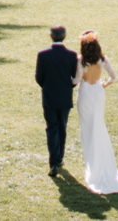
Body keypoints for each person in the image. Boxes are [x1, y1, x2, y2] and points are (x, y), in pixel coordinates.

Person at [75, 30, 118, 195]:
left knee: (87, 130)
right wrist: (103, 85)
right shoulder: (103, 59)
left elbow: (77, 80)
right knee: (98, 127)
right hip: (98, 94)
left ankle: (92, 168)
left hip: (85, 95)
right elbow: (113, 77)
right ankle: (101, 166)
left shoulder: (80, 60)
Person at [35, 24, 79, 177]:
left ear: (51, 36)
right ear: (64, 36)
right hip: (65, 96)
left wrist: (47, 87)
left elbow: (39, 77)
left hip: (49, 96)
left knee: (51, 128)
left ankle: (53, 162)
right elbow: (74, 77)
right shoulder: (71, 55)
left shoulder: (43, 54)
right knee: (62, 127)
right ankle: (59, 158)